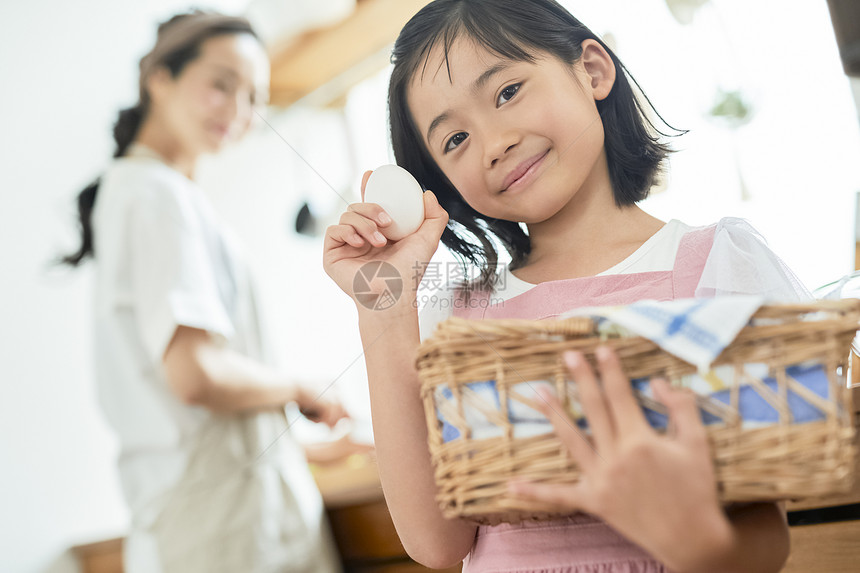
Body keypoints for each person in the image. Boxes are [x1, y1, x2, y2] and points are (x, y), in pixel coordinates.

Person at [322, 0, 811, 572]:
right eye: (454, 139)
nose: (493, 143)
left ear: (593, 71)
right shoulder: (458, 320)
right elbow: (438, 544)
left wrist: (680, 532)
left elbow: (766, 539)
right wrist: (383, 305)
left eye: (507, 92)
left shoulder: (715, 267)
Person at [62, 10, 345, 573]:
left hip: (206, 522)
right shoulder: (155, 196)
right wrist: (299, 388)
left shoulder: (141, 192)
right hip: (227, 535)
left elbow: (189, 419)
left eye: (255, 97)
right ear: (158, 78)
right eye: (221, 84)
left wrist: (299, 449)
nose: (240, 111)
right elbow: (196, 376)